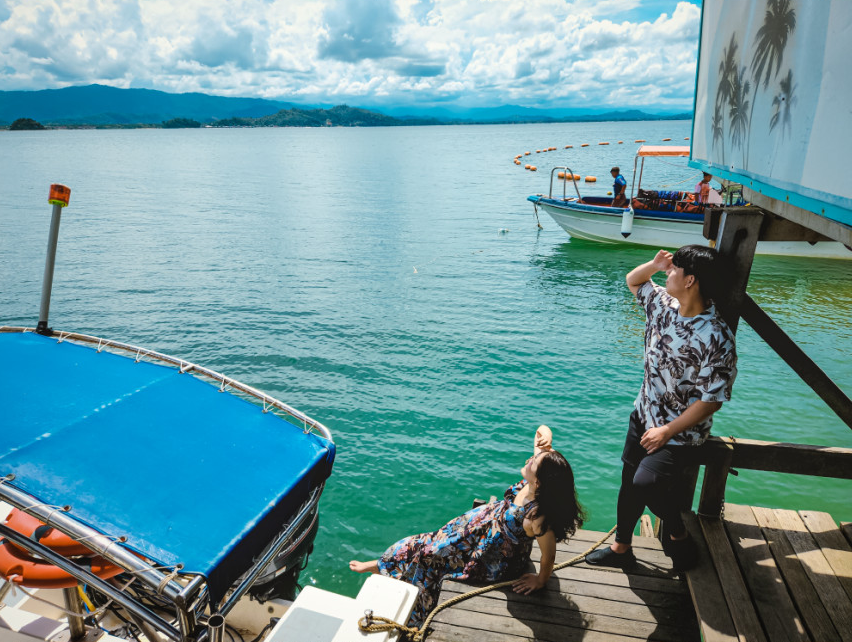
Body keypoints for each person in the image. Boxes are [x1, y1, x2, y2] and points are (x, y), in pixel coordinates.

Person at [585, 245, 737, 571]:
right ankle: (621, 547)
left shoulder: (716, 336)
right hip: (643, 414)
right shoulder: (664, 305)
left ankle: (677, 533)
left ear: (690, 280)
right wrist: (654, 265)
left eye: (674, 268)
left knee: (646, 484)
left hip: (680, 433)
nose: (668, 272)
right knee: (629, 480)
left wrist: (667, 431)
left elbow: (712, 399)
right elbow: (633, 281)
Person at [350, 425, 585, 626]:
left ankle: (412, 609)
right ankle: (384, 564)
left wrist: (541, 580)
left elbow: (548, 555)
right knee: (424, 541)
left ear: (539, 481)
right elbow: (540, 431)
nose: (530, 458)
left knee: (431, 557)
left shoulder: (537, 517)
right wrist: (547, 437)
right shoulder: (539, 475)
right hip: (480, 526)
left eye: (534, 461)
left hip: (491, 554)